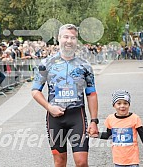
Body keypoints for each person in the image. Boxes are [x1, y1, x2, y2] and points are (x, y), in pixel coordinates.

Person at [31, 24, 99, 167]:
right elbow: (35, 91)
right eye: (66, 37)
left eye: (73, 38)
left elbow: (91, 93)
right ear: (59, 38)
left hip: (77, 117)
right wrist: (49, 107)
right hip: (55, 118)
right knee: (59, 162)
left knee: (81, 163)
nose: (69, 41)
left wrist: (94, 120)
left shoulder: (84, 65)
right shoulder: (46, 63)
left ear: (77, 40)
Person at [99, 90, 143, 167]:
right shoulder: (110, 119)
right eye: (119, 103)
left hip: (132, 160)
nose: (122, 106)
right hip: (118, 160)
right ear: (114, 105)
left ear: (129, 105)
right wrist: (96, 134)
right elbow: (109, 135)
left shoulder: (134, 118)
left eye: (125, 103)